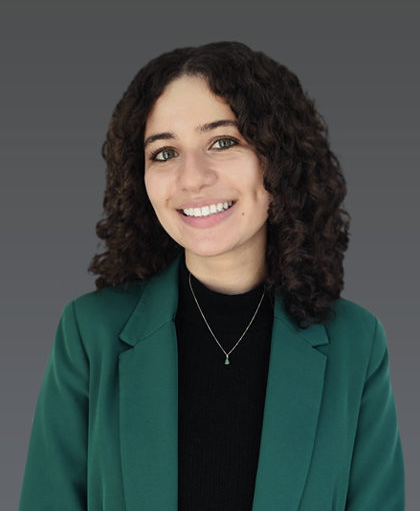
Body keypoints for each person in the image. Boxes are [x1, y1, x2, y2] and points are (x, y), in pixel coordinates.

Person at [19, 42, 405, 511]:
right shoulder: (90, 334)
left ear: (279, 158)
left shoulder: (355, 344)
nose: (191, 177)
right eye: (164, 153)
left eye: (223, 142)